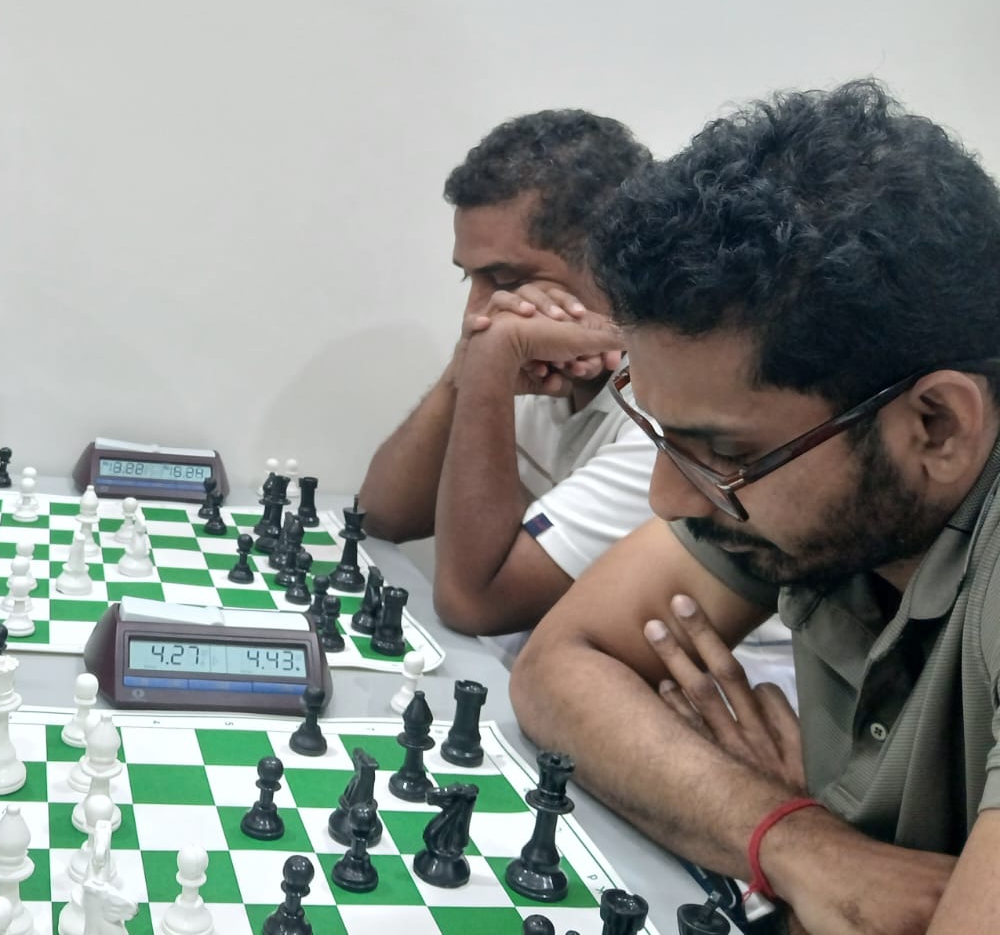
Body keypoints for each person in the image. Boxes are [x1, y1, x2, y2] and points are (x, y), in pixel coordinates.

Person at [511, 80, 1000, 934]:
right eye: (665, 437)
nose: (669, 497)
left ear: (936, 424)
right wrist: (800, 839)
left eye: (725, 453)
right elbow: (560, 667)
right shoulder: (810, 482)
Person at [359, 110, 795, 680]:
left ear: (612, 265)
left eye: (505, 280)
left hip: (696, 701)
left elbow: (473, 602)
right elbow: (381, 515)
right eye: (470, 279)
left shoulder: (667, 408)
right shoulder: (530, 348)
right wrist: (463, 372)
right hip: (535, 674)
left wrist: (490, 363)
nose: (477, 311)